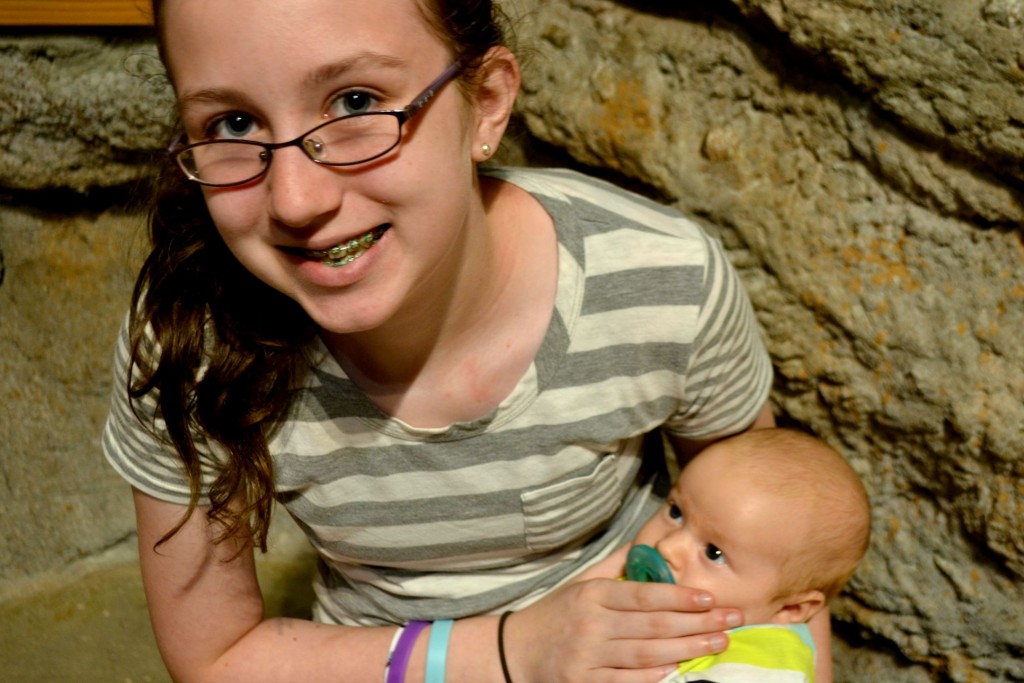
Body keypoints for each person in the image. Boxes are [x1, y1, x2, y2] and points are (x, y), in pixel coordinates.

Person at [100, 1, 832, 681]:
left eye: (356, 102)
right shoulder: (187, 340)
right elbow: (217, 654)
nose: (298, 199)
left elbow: (778, 559)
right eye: (232, 124)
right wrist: (515, 650)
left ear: (484, 102)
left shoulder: (663, 279)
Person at [577, 428, 871, 682]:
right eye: (676, 512)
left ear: (789, 610)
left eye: (714, 553)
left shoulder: (759, 664)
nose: (668, 546)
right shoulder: (634, 580)